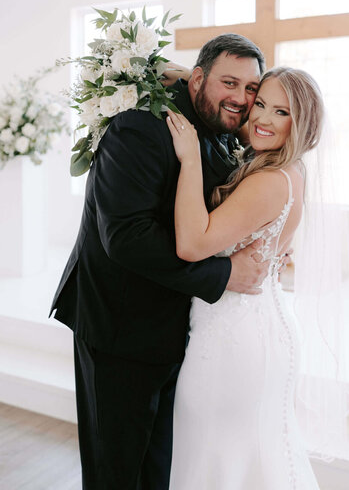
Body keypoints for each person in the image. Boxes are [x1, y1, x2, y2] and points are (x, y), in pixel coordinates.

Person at [49, 34, 272, 490]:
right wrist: (225, 274)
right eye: (229, 82)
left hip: (172, 327)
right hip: (119, 325)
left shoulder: (217, 130)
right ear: (197, 79)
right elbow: (127, 238)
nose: (241, 98)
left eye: (251, 88)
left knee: (156, 469)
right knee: (117, 471)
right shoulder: (141, 127)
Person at [167, 66, 325, 489]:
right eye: (260, 104)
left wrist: (190, 159)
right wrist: (189, 77)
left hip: (233, 340)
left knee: (216, 459)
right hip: (261, 324)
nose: (263, 119)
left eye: (281, 112)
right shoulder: (292, 171)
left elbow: (192, 244)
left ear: (301, 122)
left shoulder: (269, 182)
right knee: (249, 457)